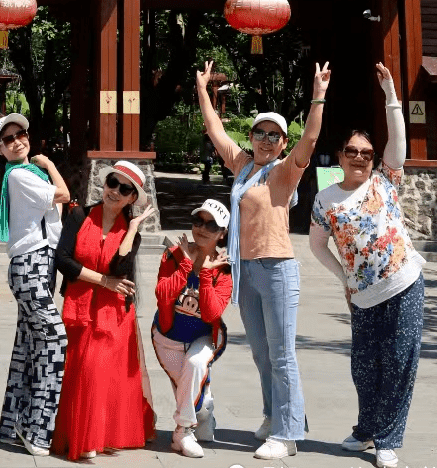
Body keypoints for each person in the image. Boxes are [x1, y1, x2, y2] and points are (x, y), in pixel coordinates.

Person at [196, 58, 331, 460]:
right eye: (260, 132)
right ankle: (275, 416)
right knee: (260, 351)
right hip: (245, 269)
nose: (266, 139)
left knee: (281, 352)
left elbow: (309, 139)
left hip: (276, 268)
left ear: (282, 144)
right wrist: (204, 90)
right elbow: (215, 131)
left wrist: (318, 96)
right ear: (252, 136)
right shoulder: (241, 166)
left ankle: (288, 435)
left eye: (275, 135)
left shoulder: (284, 172)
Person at [309, 63, 425, 468]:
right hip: (361, 294)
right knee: (363, 365)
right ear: (340, 155)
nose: (359, 157)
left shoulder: (385, 180)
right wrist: (343, 277)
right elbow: (317, 245)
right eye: (352, 151)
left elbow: (399, 139)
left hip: (404, 283)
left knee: (398, 361)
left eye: (366, 153)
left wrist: (391, 93)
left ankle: (388, 438)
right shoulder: (326, 199)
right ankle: (366, 429)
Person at [52, 159, 156, 462]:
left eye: (125, 189)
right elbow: (63, 259)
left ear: (132, 198)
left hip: (112, 312)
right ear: (105, 183)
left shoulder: (130, 233)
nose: (115, 191)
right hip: (80, 305)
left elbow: (120, 269)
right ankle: (81, 435)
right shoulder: (79, 216)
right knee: (79, 372)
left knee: (99, 373)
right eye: (113, 183)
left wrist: (132, 227)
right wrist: (103, 282)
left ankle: (95, 437)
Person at [0, 112, 70, 455]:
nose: (17, 141)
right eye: (8, 139)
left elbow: (56, 218)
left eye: (20, 133)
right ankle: (36, 430)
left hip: (39, 262)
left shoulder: (26, 174)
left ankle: (12, 424)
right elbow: (64, 195)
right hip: (31, 264)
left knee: (28, 345)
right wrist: (50, 163)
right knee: (54, 340)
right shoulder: (23, 174)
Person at [151, 198, 232, 459]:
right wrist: (186, 264)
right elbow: (162, 295)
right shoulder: (173, 255)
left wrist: (206, 274)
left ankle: (183, 431)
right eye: (199, 220)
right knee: (192, 392)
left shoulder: (225, 269)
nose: (202, 228)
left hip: (204, 337)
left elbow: (211, 313)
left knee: (196, 365)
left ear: (222, 234)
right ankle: (205, 409)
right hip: (168, 337)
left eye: (211, 225)